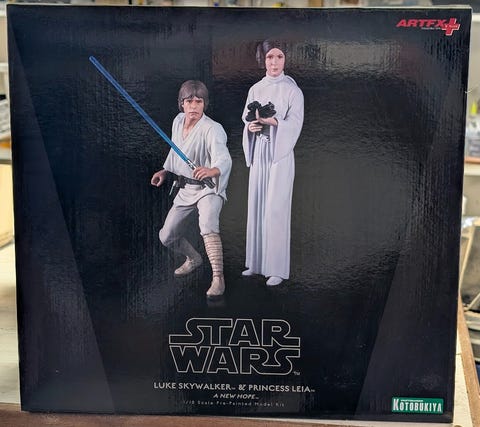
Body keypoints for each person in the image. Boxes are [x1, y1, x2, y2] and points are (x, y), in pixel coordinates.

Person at [151, 80, 232, 298]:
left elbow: (224, 158)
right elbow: (176, 150)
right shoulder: (178, 121)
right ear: (182, 104)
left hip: (208, 188)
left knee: (207, 226)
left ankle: (218, 278)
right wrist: (165, 171)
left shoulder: (213, 129)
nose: (194, 106)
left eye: (199, 101)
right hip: (186, 187)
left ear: (205, 104)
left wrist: (212, 170)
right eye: (189, 101)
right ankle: (194, 258)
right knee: (167, 236)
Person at [241, 40, 304, 286]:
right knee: (257, 203)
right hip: (260, 150)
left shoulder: (292, 91)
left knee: (276, 207)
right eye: (269, 57)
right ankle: (255, 263)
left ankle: (276, 268)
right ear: (263, 60)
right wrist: (251, 127)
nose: (274, 62)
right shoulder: (256, 88)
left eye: (279, 56)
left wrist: (274, 122)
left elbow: (295, 124)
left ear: (285, 59)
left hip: (280, 152)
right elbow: (246, 119)